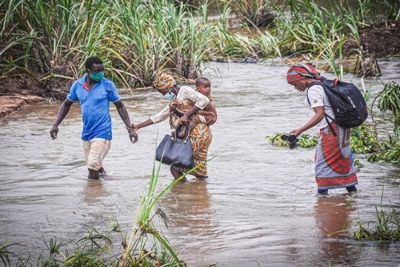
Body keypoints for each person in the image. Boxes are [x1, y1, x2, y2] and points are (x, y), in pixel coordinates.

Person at [50, 56, 138, 180]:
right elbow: (66, 104)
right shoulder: (78, 86)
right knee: (97, 168)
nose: (100, 74)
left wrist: (130, 129)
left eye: (102, 71)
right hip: (86, 134)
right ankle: (105, 190)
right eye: (97, 71)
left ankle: (93, 197)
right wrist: (55, 124)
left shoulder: (107, 85)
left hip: (103, 133)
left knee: (92, 166)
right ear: (88, 71)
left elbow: (120, 106)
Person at [286, 63, 358, 195]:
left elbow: (320, 113)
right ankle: (352, 195)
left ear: (300, 78)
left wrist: (300, 130)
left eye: (295, 84)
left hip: (331, 130)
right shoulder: (322, 85)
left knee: (322, 164)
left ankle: (322, 198)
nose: (296, 88)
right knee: (343, 160)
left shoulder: (314, 90)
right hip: (341, 128)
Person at [132, 73, 217, 181]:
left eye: (162, 91)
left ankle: (182, 193)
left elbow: (204, 100)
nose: (163, 95)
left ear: (169, 87)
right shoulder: (175, 101)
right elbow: (160, 116)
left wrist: (186, 114)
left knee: (175, 167)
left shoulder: (185, 90)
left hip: (197, 134)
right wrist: (138, 126)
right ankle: (200, 193)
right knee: (199, 168)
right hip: (203, 134)